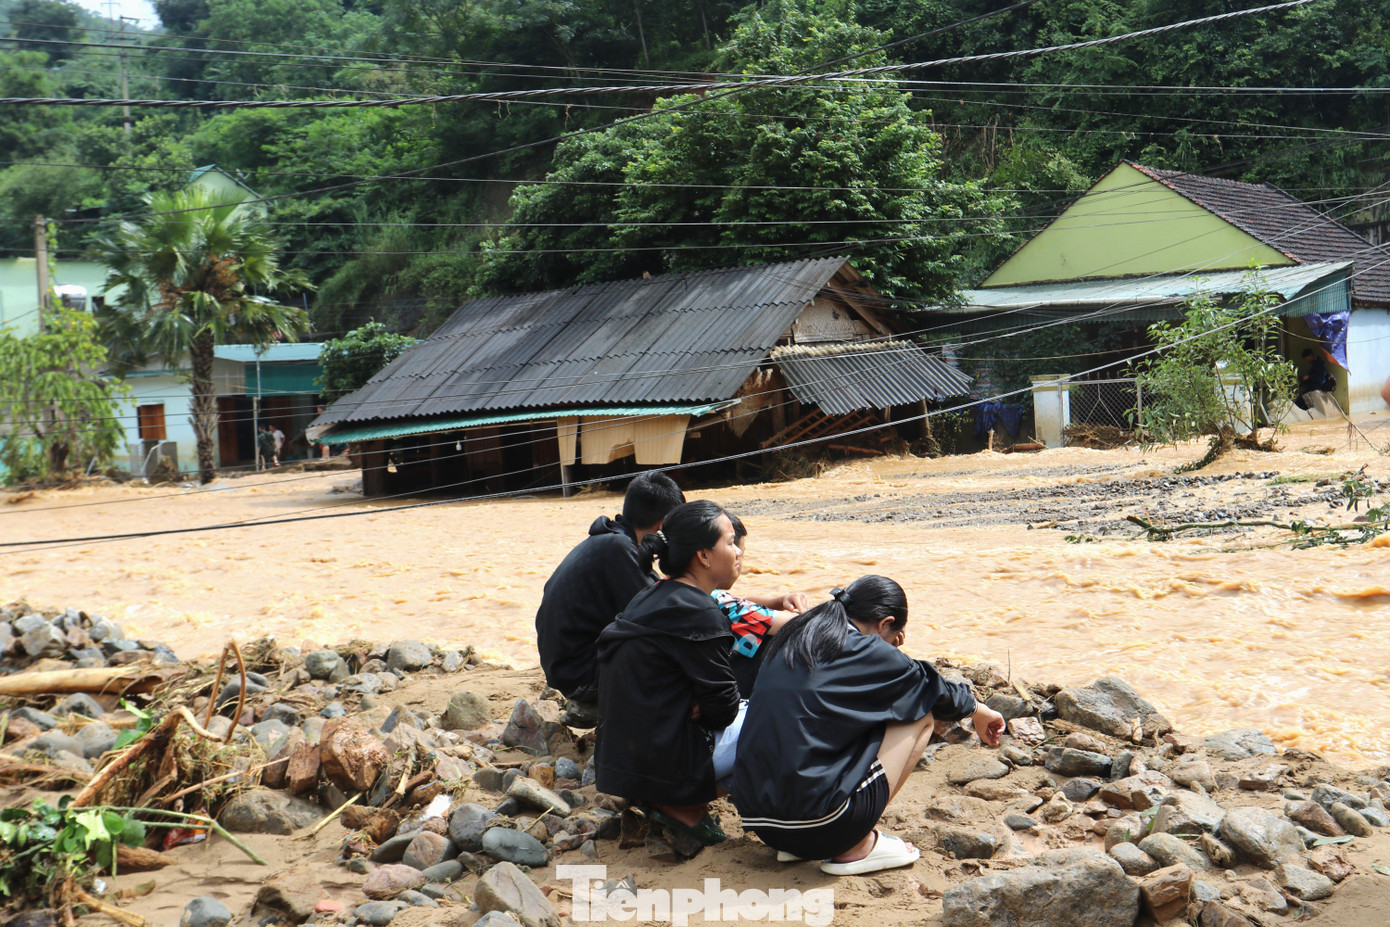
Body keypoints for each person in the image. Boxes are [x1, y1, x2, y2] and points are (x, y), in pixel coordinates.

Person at [733, 575, 1005, 876]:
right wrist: (979, 710)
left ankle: (801, 846)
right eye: (893, 636)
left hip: (762, 823)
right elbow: (930, 689)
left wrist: (888, 650)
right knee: (920, 716)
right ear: (885, 623)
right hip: (819, 824)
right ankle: (857, 845)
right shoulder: (863, 648)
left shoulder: (798, 632)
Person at [594, 500, 743, 847]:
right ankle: (685, 808)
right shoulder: (701, 613)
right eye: (730, 541)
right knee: (778, 720)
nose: (737, 552)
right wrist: (705, 702)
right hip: (665, 765)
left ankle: (669, 799)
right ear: (703, 556)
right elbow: (724, 709)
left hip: (623, 764)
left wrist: (696, 698)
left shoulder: (651, 595)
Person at [535, 471, 685, 728]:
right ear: (662, 526)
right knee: (671, 644)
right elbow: (662, 614)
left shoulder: (611, 539)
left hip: (566, 667)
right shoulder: (619, 549)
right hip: (580, 677)